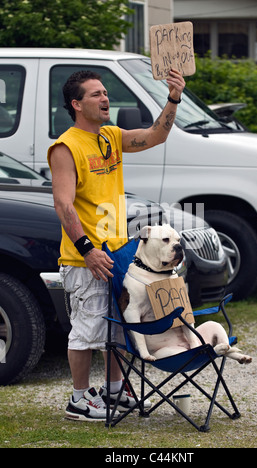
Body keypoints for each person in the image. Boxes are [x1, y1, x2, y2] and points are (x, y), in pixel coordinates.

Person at [47, 68, 186, 421]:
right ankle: (79, 400)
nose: (105, 98)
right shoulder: (65, 146)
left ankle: (113, 392)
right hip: (85, 256)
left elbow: (155, 135)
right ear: (77, 104)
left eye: (105, 92)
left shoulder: (110, 136)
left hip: (118, 250)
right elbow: (63, 204)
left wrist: (173, 97)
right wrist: (86, 249)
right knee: (87, 328)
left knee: (117, 326)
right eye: (95, 94)